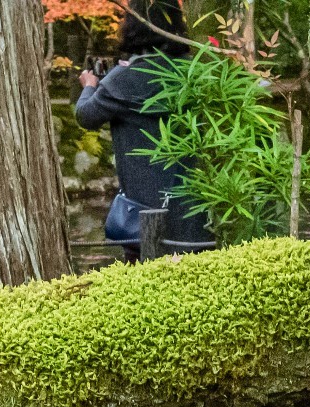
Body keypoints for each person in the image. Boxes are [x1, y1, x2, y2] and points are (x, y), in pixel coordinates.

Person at [75, 0, 217, 261]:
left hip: (140, 216)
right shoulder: (194, 72)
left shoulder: (122, 79)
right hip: (195, 215)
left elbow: (86, 116)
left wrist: (90, 85)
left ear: (133, 26)